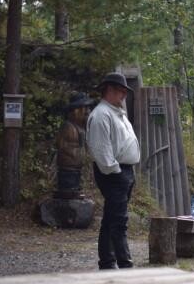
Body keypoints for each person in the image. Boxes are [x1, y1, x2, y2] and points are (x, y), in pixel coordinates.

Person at [86, 73, 140, 270]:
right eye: (121, 90)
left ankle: (107, 262)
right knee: (119, 221)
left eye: (125, 91)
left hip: (123, 171)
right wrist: (116, 172)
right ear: (108, 89)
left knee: (111, 218)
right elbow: (101, 151)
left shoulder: (116, 112)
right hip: (113, 172)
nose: (124, 95)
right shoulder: (101, 114)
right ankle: (125, 263)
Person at [55, 92, 95, 199]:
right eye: (85, 108)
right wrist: (74, 152)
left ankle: (73, 192)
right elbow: (60, 144)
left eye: (88, 108)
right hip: (67, 168)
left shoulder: (81, 127)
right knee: (67, 186)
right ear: (77, 110)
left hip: (76, 168)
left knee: (75, 185)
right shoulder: (68, 126)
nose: (88, 111)